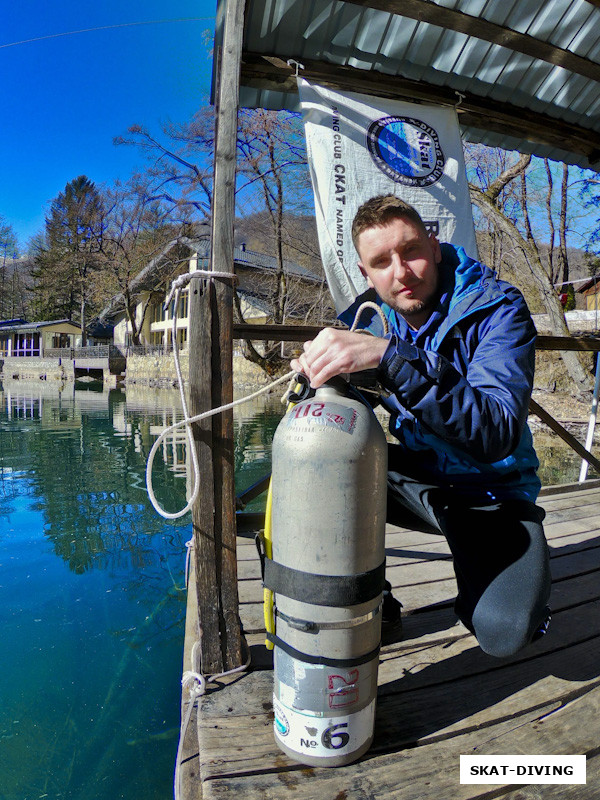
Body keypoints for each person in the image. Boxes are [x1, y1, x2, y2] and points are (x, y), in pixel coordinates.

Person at [291, 194, 551, 659]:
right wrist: (318, 381)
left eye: (410, 250)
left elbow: (495, 431)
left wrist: (390, 358)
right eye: (381, 262)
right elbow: (337, 420)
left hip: (493, 492)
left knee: (505, 630)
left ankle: (492, 575)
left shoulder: (499, 309)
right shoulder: (365, 316)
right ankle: (374, 598)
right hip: (418, 481)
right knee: (314, 467)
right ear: (364, 271)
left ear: (433, 245)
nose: (401, 272)